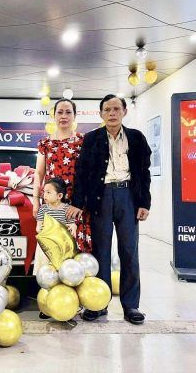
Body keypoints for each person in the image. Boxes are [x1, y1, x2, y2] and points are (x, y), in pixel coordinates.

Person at [69, 94, 151, 325]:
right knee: (101, 252)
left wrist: (144, 203)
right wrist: (78, 202)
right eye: (107, 110)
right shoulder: (91, 139)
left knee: (129, 251)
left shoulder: (136, 138)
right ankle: (99, 304)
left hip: (128, 197)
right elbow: (82, 173)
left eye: (116, 109)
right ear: (101, 114)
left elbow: (144, 173)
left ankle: (131, 306)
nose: (112, 113)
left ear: (124, 111)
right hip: (101, 197)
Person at [33, 98, 91, 253]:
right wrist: (35, 202)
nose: (63, 116)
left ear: (74, 116)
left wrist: (82, 202)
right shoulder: (45, 144)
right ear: (54, 115)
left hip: (77, 202)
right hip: (53, 203)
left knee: (76, 247)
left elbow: (89, 174)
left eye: (68, 112)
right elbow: (39, 173)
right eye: (60, 112)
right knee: (54, 247)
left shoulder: (84, 141)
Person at [35, 177, 76, 319]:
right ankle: (45, 305)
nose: (45, 195)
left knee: (63, 274)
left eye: (48, 192)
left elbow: (72, 225)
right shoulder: (43, 209)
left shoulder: (67, 209)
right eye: (44, 192)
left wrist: (72, 227)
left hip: (62, 248)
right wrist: (43, 229)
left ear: (59, 196)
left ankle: (66, 304)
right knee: (47, 275)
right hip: (46, 248)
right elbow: (38, 227)